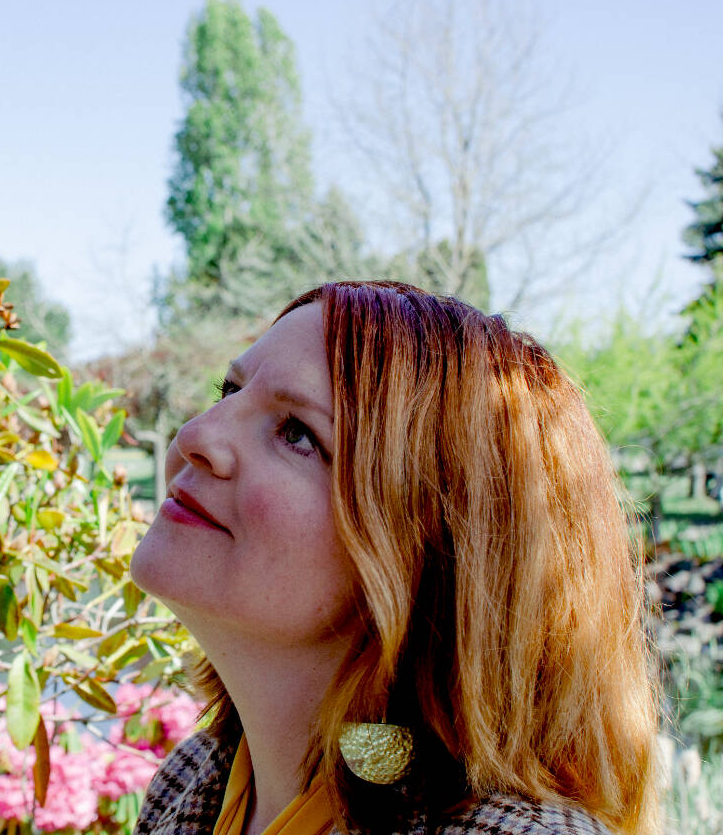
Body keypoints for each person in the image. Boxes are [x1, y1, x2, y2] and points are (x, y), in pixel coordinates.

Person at [130, 281, 661, 835]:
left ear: (434, 554)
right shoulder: (191, 781)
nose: (196, 435)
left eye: (298, 434)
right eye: (228, 391)